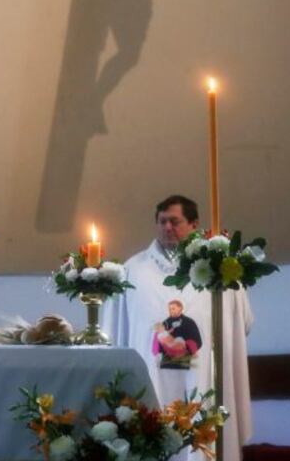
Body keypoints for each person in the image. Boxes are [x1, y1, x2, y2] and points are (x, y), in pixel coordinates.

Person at [102, 195, 253, 461]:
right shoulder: (132, 271)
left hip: (202, 377)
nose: (167, 228)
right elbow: (113, 331)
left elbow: (241, 323)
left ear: (194, 224)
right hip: (149, 379)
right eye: (162, 221)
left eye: (175, 221)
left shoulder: (216, 272)